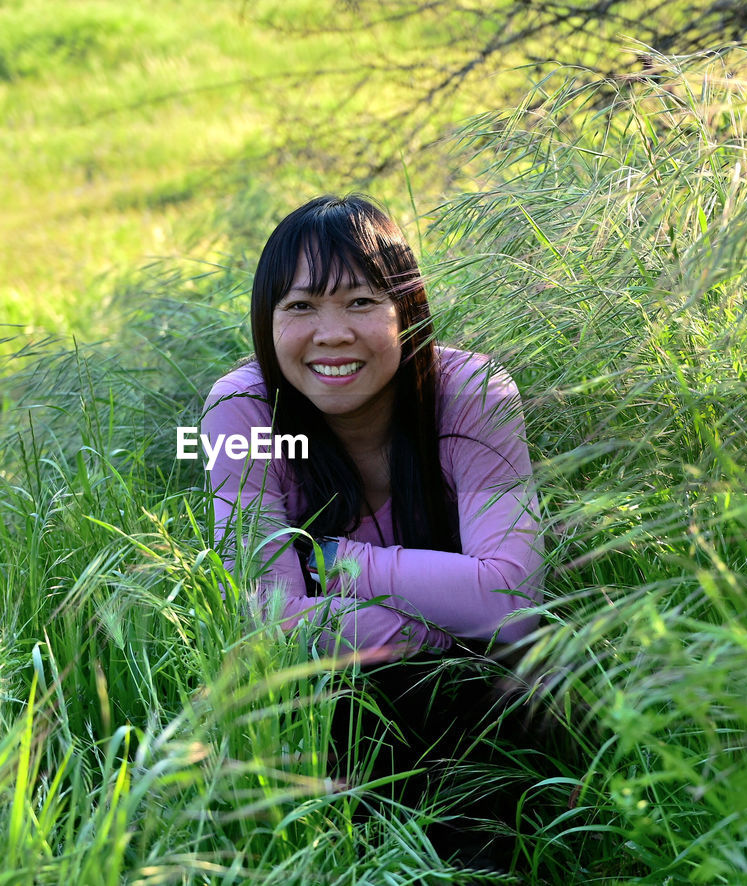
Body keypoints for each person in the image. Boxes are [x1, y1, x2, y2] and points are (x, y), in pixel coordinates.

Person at [200, 193, 545, 866]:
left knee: (512, 685)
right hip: (333, 709)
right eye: (301, 307)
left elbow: (512, 608)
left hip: (476, 704)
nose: (332, 333)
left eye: (361, 302)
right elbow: (269, 623)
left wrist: (337, 562)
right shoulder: (241, 414)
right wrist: (442, 625)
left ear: (407, 312)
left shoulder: (472, 392)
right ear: (266, 322)